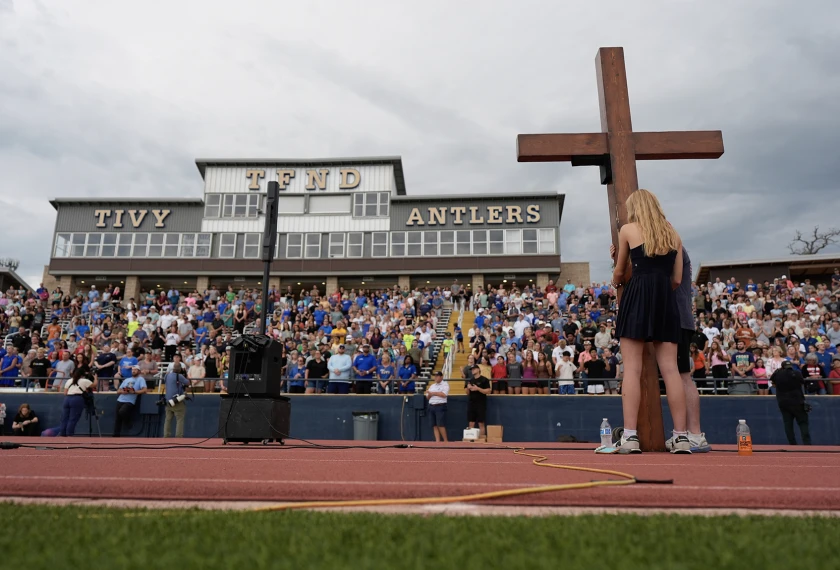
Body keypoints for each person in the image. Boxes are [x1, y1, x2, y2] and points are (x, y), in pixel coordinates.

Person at [611, 189, 690, 454]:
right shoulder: (674, 234)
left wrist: (617, 276)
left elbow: (620, 273)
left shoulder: (628, 230)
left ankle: (630, 436)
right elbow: (677, 279)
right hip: (665, 299)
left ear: (635, 208)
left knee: (632, 368)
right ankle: (681, 437)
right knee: (670, 369)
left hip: (637, 295)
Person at [770, 360, 811, 445]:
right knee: (803, 423)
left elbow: (773, 383)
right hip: (797, 401)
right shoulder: (796, 373)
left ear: (782, 366)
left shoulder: (778, 373)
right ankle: (807, 444)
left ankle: (792, 444)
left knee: (788, 424)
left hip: (783, 402)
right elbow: (802, 383)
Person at [114, 365, 148, 437]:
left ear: (138, 371)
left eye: (135, 370)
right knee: (117, 419)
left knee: (122, 412)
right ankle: (115, 436)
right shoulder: (126, 379)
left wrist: (134, 392)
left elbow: (144, 390)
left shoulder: (141, 379)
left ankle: (128, 423)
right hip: (120, 399)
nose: (133, 371)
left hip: (130, 401)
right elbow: (118, 391)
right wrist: (123, 391)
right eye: (132, 369)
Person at [59, 369, 94, 437]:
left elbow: (65, 393)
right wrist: (95, 378)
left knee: (64, 418)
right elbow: (94, 385)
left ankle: (62, 434)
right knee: (73, 418)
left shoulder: (69, 380)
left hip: (67, 399)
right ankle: (69, 434)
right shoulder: (84, 381)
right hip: (77, 399)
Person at [162, 362, 190, 438]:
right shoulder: (179, 376)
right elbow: (188, 382)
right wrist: (185, 374)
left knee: (168, 419)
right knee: (180, 419)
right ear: (180, 369)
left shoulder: (167, 375)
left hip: (168, 399)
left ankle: (166, 435)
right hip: (177, 400)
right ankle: (178, 436)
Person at [466, 365, 492, 438]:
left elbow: (488, 391)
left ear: (478, 370)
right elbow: (467, 393)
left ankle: (482, 440)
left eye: (474, 369)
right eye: (472, 369)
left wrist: (478, 389)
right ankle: (470, 439)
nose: (472, 370)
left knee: (481, 423)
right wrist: (468, 388)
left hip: (481, 403)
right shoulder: (470, 380)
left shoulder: (484, 380)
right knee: (471, 423)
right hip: (472, 403)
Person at [425, 371, 449, 442]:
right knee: (434, 425)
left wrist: (433, 393)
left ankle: (445, 441)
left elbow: (444, 394)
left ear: (441, 377)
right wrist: (429, 394)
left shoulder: (445, 385)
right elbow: (427, 397)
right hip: (431, 405)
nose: (435, 377)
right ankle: (437, 441)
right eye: (434, 376)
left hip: (440, 406)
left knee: (441, 424)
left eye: (437, 376)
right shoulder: (432, 386)